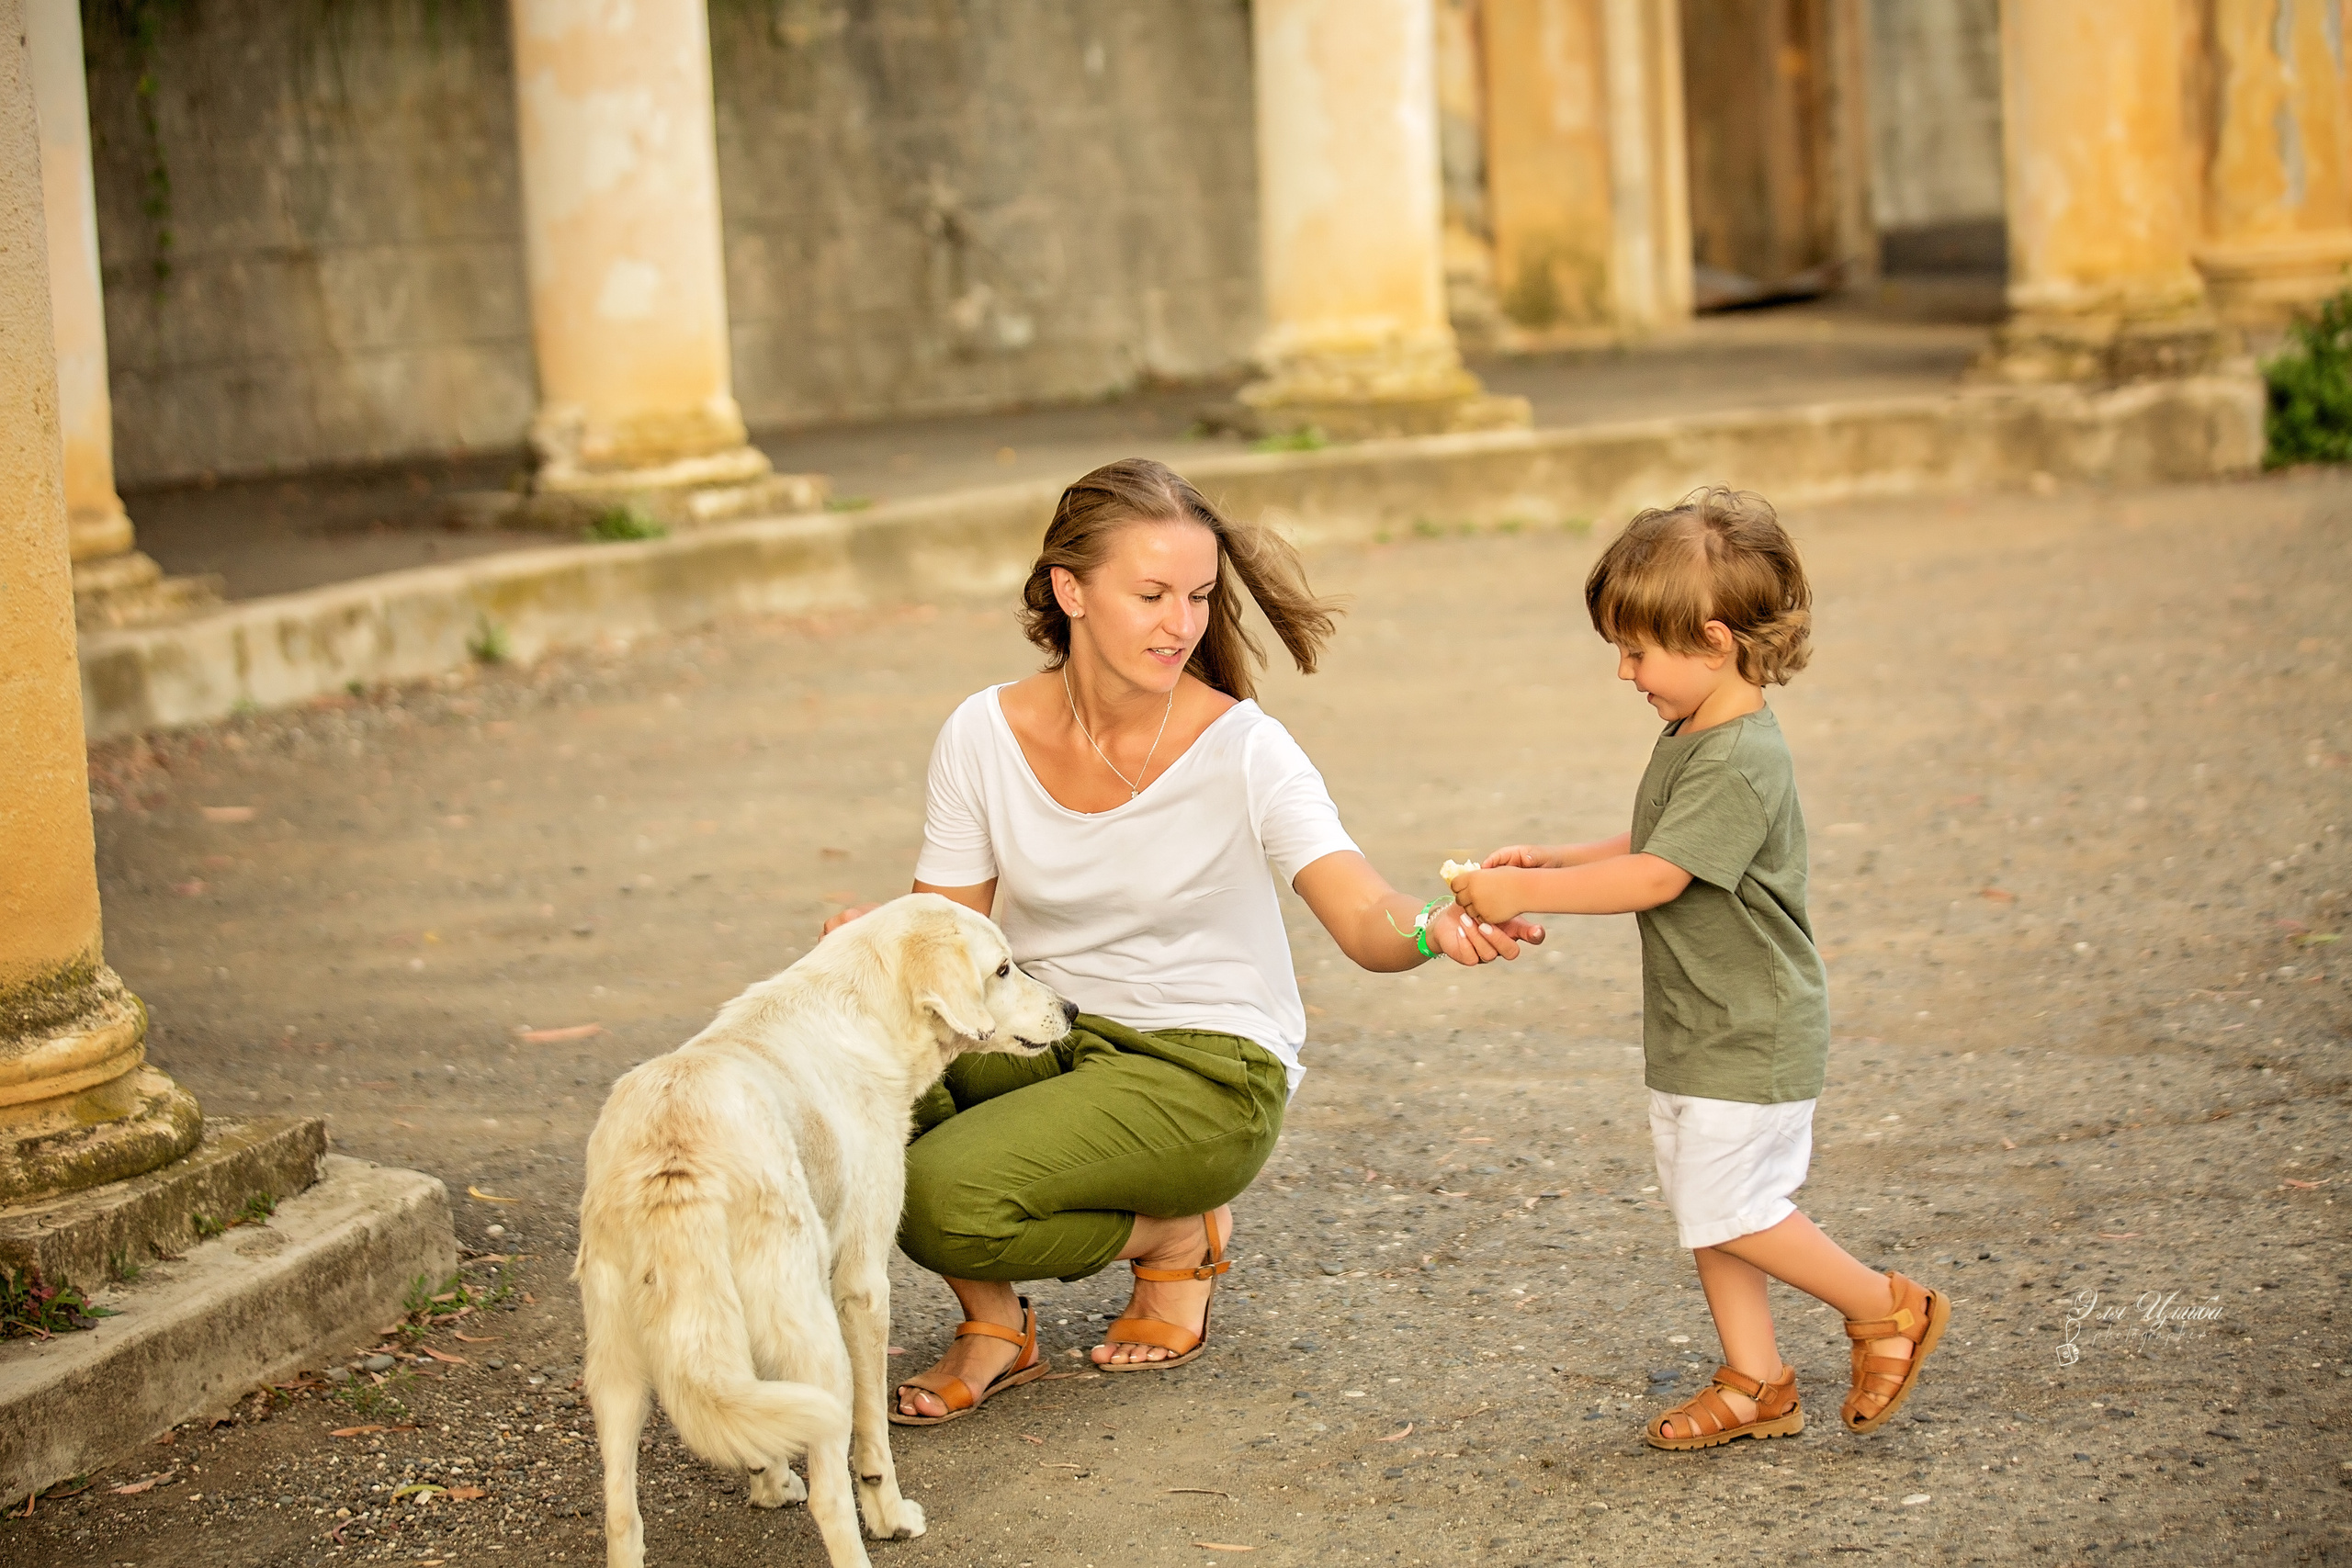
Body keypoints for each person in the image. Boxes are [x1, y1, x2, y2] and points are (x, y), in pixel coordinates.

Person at [820, 457, 1544, 1426]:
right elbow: (944, 942)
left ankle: (1173, 1238)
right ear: (1068, 590)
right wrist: (869, 944)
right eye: (1152, 593)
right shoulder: (980, 734)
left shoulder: (1245, 749)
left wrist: (1430, 928)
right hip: (1040, 1032)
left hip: (1199, 1065)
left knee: (940, 1200)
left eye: (1199, 596)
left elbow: (1359, 908)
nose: (1181, 623)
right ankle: (995, 1326)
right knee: (858, 1090)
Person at [1448, 487, 1949, 1450]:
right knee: (1706, 1210)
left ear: (1714, 640)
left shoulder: (1740, 756)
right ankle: (1756, 1381)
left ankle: (1888, 1307)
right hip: (1698, 1022)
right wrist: (1556, 858)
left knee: (1734, 1205)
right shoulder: (1695, 731)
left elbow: (1661, 873)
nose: (1625, 671)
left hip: (1748, 1025)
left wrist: (1530, 899)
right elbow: (1652, 837)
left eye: (1636, 650)